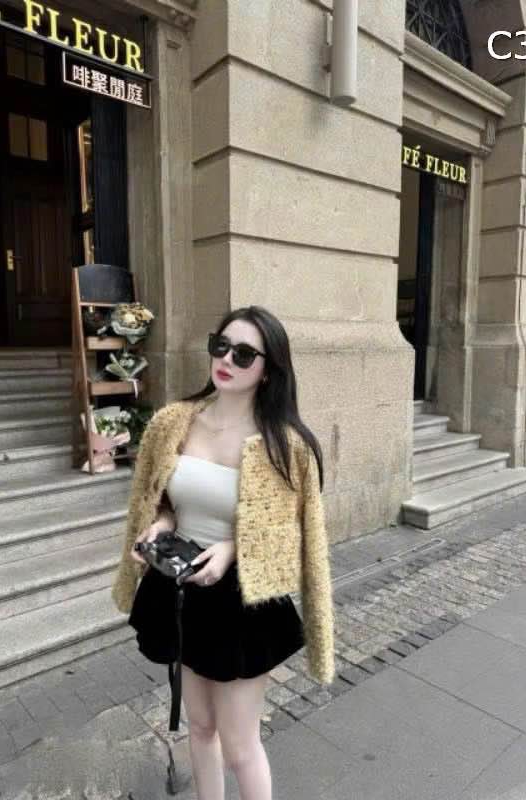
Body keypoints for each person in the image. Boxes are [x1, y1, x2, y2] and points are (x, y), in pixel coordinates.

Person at [111, 305, 335, 800]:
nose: (227, 359)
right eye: (221, 345)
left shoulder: (285, 445)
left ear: (269, 369)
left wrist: (233, 548)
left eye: (244, 353)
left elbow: (297, 534)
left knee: (239, 745)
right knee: (199, 727)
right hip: (182, 589)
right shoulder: (174, 422)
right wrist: (161, 525)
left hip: (242, 601)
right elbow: (163, 499)